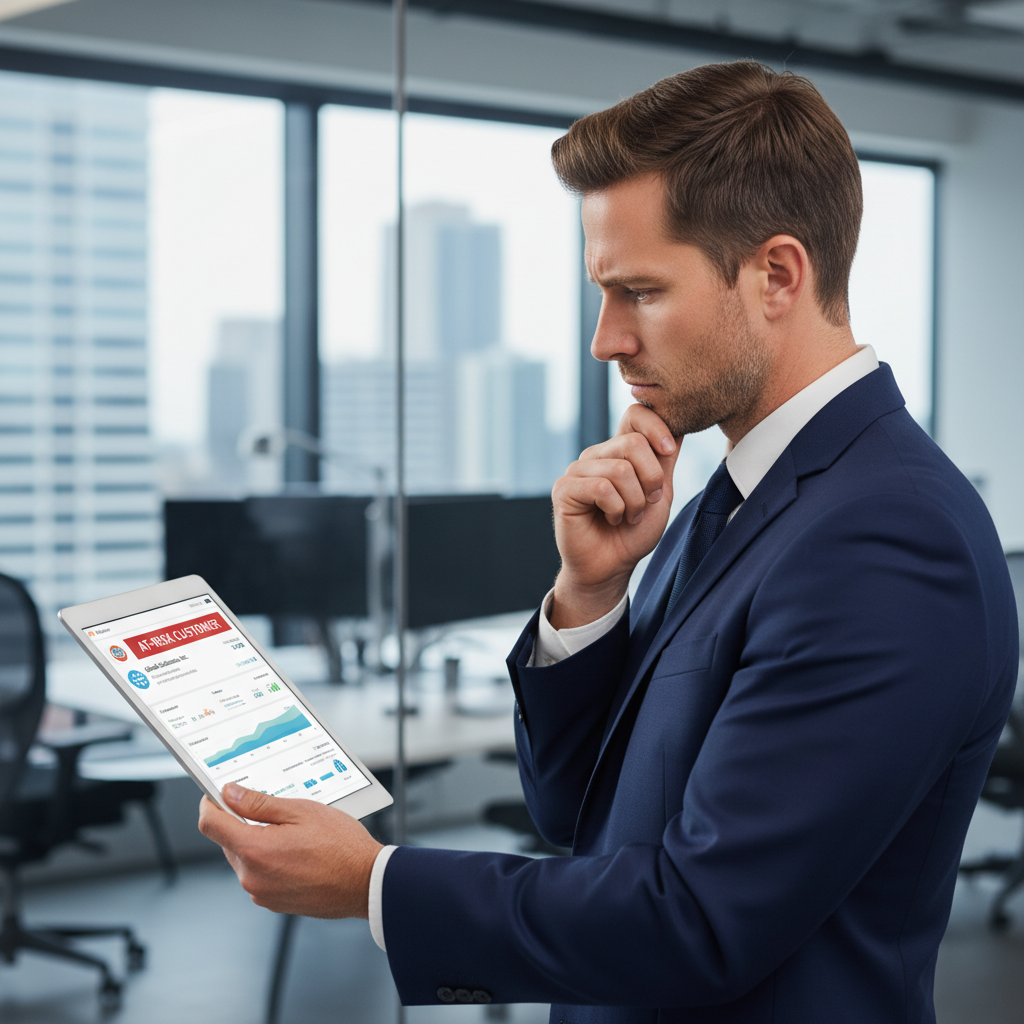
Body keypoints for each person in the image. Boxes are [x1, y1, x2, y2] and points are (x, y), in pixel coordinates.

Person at [199, 61, 1018, 1023]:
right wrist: (588, 597)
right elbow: (577, 813)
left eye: (640, 291)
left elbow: (699, 923)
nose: (606, 339)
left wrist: (373, 883)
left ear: (777, 275)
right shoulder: (729, 501)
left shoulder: (886, 538)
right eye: (603, 292)